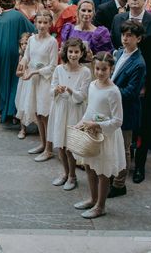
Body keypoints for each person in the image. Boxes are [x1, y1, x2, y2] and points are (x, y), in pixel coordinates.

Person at [111, 0, 151, 182]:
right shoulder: (118, 19)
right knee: (121, 125)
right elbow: (114, 45)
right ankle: (121, 163)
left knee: (142, 125)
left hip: (145, 80)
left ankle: (139, 166)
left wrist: (148, 83)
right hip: (119, 76)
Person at [73, 52, 126, 219]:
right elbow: (91, 108)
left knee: (103, 172)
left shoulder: (114, 91)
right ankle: (93, 198)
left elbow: (118, 121)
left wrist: (97, 125)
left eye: (104, 69)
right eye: (97, 69)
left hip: (106, 136)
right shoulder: (93, 85)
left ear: (111, 69)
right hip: (91, 133)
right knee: (89, 166)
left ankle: (101, 206)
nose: (100, 72)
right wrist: (82, 122)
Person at [109, 20, 146, 198]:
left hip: (126, 110)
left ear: (138, 38)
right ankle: (112, 177)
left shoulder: (139, 63)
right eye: (124, 35)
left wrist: (109, 91)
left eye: (130, 36)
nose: (125, 38)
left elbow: (131, 92)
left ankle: (119, 184)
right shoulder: (120, 52)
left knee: (124, 148)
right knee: (113, 146)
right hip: (114, 108)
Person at [48, 38, 91, 191]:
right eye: (70, 52)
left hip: (74, 111)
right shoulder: (59, 69)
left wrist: (71, 90)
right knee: (60, 144)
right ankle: (65, 173)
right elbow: (51, 89)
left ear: (81, 53)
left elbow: (83, 96)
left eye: (76, 52)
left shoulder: (85, 72)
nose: (73, 55)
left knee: (69, 147)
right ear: (66, 52)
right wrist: (56, 90)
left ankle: (73, 175)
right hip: (60, 109)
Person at [17, 11, 58, 162]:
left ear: (50, 24)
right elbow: (27, 55)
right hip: (32, 80)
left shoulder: (52, 42)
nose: (42, 25)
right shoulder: (32, 39)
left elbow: (53, 66)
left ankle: (49, 149)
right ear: (35, 23)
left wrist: (35, 72)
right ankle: (42, 144)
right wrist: (23, 62)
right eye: (39, 22)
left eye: (45, 22)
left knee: (45, 114)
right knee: (38, 114)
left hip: (44, 81)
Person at [14, 32, 32, 139]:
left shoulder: (34, 56)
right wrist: (24, 72)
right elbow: (17, 72)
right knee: (22, 104)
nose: (24, 46)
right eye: (22, 44)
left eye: (27, 43)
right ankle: (22, 129)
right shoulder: (21, 57)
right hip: (24, 83)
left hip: (33, 82)